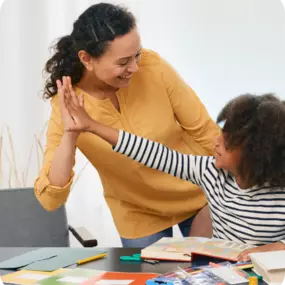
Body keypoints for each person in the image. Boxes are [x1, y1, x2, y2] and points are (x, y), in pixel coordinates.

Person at [34, 3, 219, 247]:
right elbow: (51, 198)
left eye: (137, 55)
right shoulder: (67, 102)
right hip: (137, 213)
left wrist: (232, 191)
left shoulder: (153, 68)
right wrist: (71, 134)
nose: (134, 68)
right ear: (87, 59)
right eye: (123, 62)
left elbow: (205, 132)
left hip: (198, 195)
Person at [60, 87, 285, 261]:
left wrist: (277, 247)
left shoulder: (279, 191)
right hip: (222, 273)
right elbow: (154, 153)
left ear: (255, 153)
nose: (216, 141)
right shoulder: (209, 172)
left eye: (226, 141)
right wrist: (91, 125)